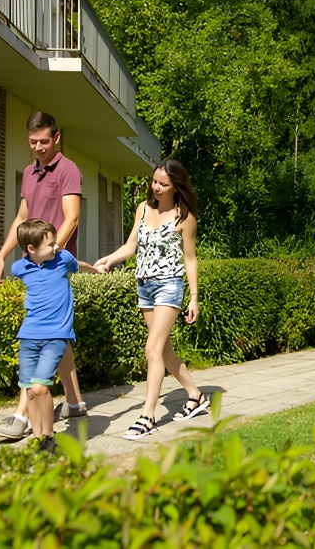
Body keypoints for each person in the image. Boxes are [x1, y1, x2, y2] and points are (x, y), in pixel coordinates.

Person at [0, 111, 88, 441]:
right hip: (33, 263)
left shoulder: (68, 170)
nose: (38, 148)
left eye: (44, 142)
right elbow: (22, 218)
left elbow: (71, 218)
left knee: (41, 332)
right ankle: (74, 403)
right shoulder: (29, 173)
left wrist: (51, 258)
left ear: (56, 138)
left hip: (51, 264)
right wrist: (3, 254)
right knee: (56, 334)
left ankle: (22, 415)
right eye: (33, 142)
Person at [99, 158, 210, 440]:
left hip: (169, 287)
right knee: (164, 352)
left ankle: (147, 416)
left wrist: (194, 297)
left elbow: (190, 259)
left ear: (176, 187)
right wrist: (110, 259)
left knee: (152, 350)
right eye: (154, 181)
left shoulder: (184, 217)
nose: (156, 187)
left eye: (163, 184)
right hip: (144, 287)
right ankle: (195, 396)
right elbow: (132, 245)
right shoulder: (143, 208)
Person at [7, 218, 102, 454]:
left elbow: (78, 264)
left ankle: (49, 437)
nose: (56, 247)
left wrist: (95, 270)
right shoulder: (20, 268)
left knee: (40, 388)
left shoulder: (63, 260)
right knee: (29, 390)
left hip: (56, 335)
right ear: (31, 249)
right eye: (50, 244)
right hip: (28, 335)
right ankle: (38, 440)